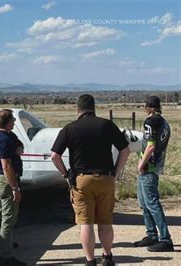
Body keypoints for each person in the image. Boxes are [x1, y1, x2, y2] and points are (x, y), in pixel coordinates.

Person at [50, 94, 130, 266]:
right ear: (94, 108)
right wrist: (116, 172)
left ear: (77, 109)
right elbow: (125, 150)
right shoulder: (106, 125)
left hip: (81, 180)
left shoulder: (70, 128)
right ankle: (107, 256)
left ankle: (90, 260)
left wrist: (66, 174)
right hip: (106, 177)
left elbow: (54, 156)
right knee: (105, 221)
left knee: (86, 223)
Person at [133, 95, 174, 252]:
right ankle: (152, 234)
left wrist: (141, 163)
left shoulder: (150, 122)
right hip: (156, 165)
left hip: (148, 167)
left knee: (152, 203)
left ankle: (165, 239)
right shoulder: (163, 122)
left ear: (147, 107)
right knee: (144, 203)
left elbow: (150, 146)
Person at [0, 109, 25, 266]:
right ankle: (7, 256)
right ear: (7, 122)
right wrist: (15, 188)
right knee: (8, 219)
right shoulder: (4, 140)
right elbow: (6, 166)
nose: (14, 123)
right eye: (13, 120)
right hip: (6, 180)